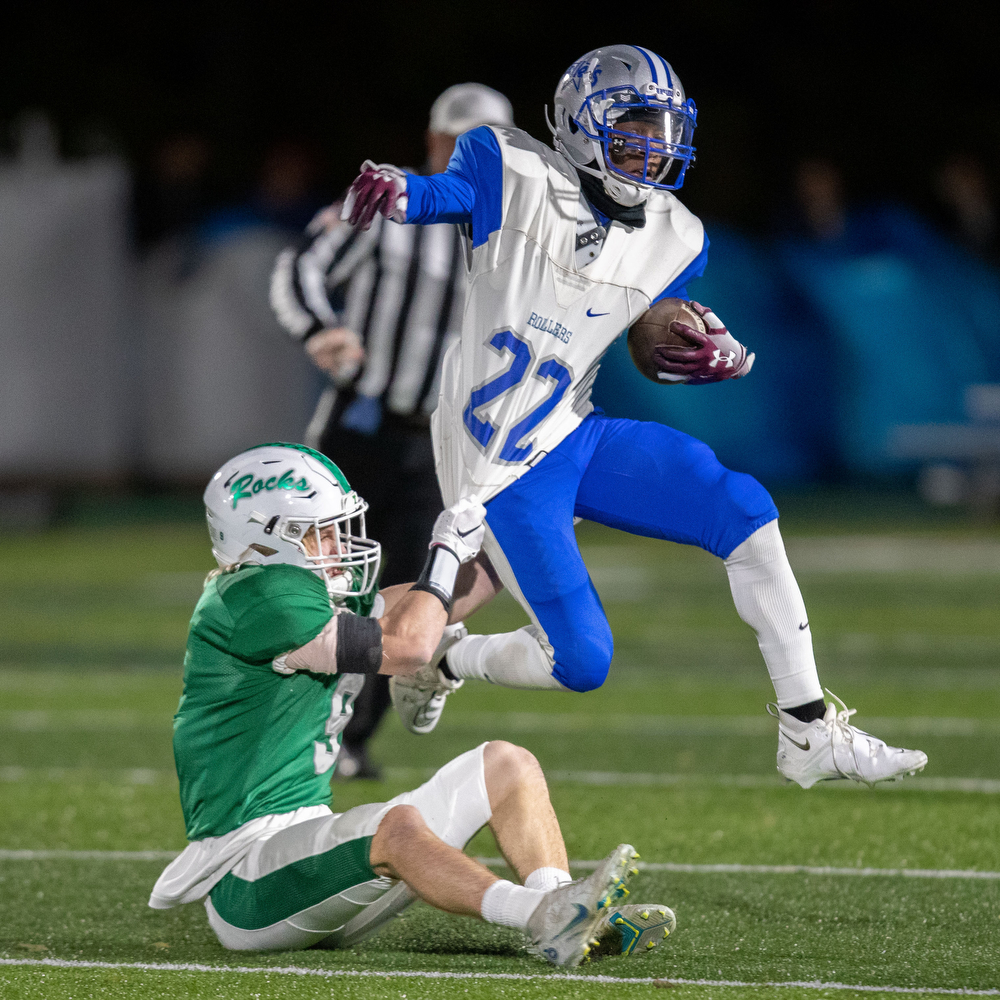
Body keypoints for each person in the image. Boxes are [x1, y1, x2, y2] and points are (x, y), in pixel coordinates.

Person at [341, 45, 928, 789]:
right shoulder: (507, 166)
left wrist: (706, 346)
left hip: (573, 428)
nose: (655, 146)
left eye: (665, 130)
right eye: (635, 126)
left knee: (744, 508)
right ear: (582, 127)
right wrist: (399, 190)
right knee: (582, 662)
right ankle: (445, 657)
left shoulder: (677, 234)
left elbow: (648, 330)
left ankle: (807, 728)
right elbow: (440, 194)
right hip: (500, 462)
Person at [148, 442, 675, 964]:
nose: (337, 542)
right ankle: (538, 912)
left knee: (507, 765)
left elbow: (439, 603)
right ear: (266, 540)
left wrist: (526, 528)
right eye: (320, 531)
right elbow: (408, 646)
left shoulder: (295, 591)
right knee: (397, 827)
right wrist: (445, 552)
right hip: (248, 878)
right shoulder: (259, 598)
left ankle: (564, 913)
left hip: (313, 853)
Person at [269, 84, 515, 779]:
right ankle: (284, 725)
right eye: (461, 144)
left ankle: (346, 738)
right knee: (317, 574)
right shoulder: (390, 198)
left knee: (414, 588)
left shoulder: (523, 233)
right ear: (434, 144)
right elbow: (301, 268)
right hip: (364, 423)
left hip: (446, 444)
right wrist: (321, 329)